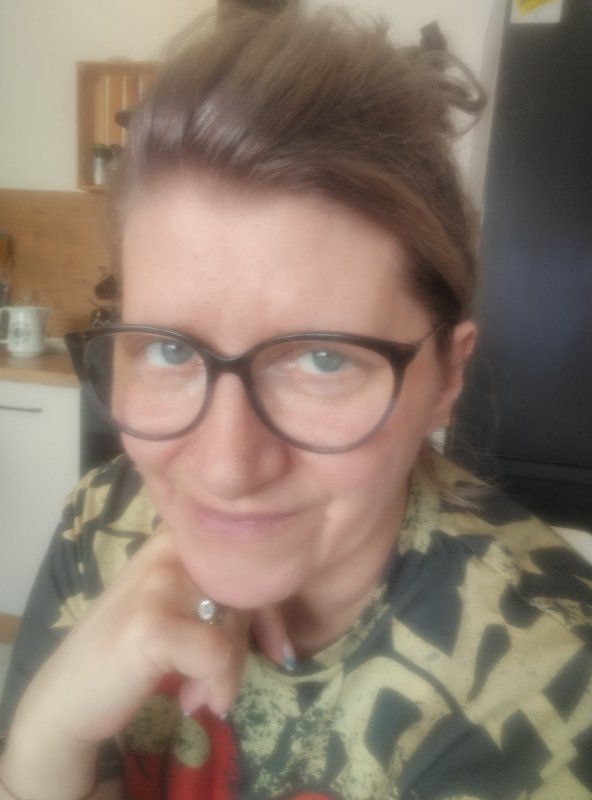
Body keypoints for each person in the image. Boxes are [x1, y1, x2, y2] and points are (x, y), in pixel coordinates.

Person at [1, 5, 591, 800]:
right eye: (170, 350)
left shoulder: (550, 690)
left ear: (447, 376)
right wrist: (50, 737)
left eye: (322, 359)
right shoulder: (100, 526)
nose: (226, 469)